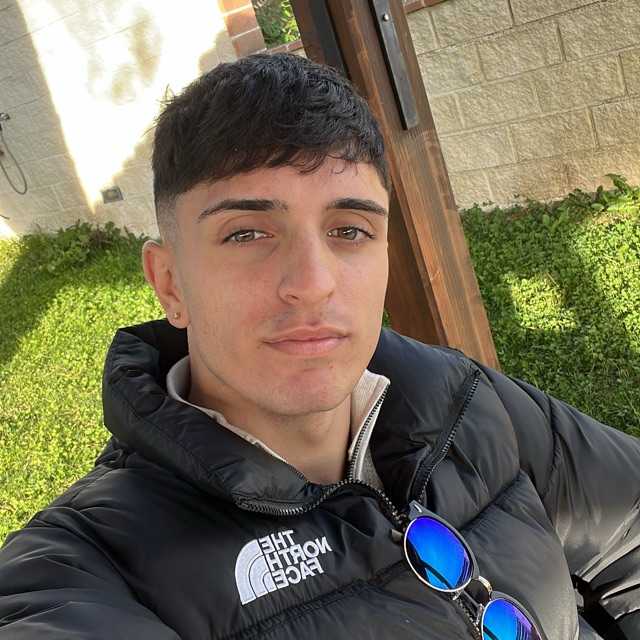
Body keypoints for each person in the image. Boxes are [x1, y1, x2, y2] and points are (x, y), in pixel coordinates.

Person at [0, 52, 638, 640]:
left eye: (349, 229)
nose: (311, 283)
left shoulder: (463, 399)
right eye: (247, 233)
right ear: (170, 283)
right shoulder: (85, 570)